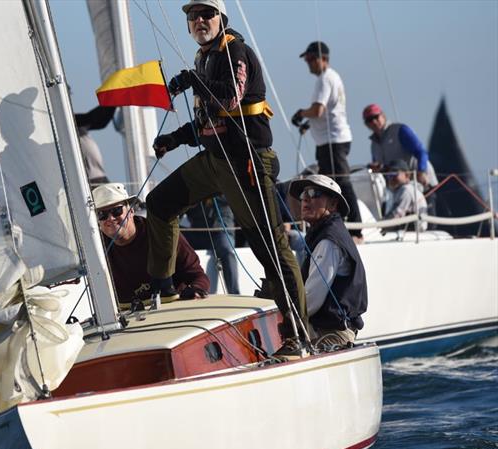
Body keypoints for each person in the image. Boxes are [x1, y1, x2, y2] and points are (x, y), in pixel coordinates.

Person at [147, 0, 307, 354]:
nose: (200, 20)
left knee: (270, 246)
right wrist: (173, 140)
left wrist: (192, 81)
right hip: (215, 161)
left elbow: (229, 101)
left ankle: (298, 335)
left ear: (222, 19)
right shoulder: (202, 59)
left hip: (247, 161)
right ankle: (164, 288)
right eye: (194, 16)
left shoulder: (236, 51)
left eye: (207, 14)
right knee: (158, 203)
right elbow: (208, 122)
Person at [93, 183, 209, 310]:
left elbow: (198, 276)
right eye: (102, 215)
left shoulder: (160, 233)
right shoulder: (96, 248)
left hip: (173, 311)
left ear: (131, 210)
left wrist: (196, 290)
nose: (110, 218)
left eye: (116, 211)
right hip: (129, 322)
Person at [292, 41, 362, 240]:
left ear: (321, 58)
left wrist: (301, 113)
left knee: (340, 182)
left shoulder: (324, 79)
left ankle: (357, 230)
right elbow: (327, 112)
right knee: (327, 184)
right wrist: (309, 124)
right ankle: (333, 224)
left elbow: (318, 110)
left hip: (333, 142)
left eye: (310, 59)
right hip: (331, 141)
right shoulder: (333, 77)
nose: (308, 64)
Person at [288, 174, 367, 350]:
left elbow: (311, 300)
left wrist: (281, 314)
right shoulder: (327, 233)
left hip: (331, 336)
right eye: (303, 194)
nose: (306, 199)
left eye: (314, 193)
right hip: (328, 331)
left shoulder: (328, 241)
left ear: (333, 204)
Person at [363, 103, 438, 192]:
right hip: (402, 190)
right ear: (366, 124)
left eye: (376, 117)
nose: (374, 121)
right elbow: (384, 168)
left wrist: (421, 172)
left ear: (383, 115)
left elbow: (421, 151)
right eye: (369, 120)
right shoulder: (374, 145)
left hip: (423, 184)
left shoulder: (400, 130)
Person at [182, 197, 239, 294]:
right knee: (176, 236)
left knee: (226, 251)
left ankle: (234, 293)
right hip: (199, 234)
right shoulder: (193, 191)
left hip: (221, 232)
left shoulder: (222, 188)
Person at [74, 105, 116, 186]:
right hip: (91, 180)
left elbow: (101, 122)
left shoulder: (75, 123)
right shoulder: (66, 122)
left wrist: (114, 102)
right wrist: (113, 101)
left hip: (99, 178)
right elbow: (91, 118)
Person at [383, 159, 428, 229]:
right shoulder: (400, 191)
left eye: (394, 174)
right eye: (389, 174)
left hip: (412, 233)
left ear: (407, 175)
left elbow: (397, 215)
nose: (390, 177)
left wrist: (379, 225)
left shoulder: (406, 190)